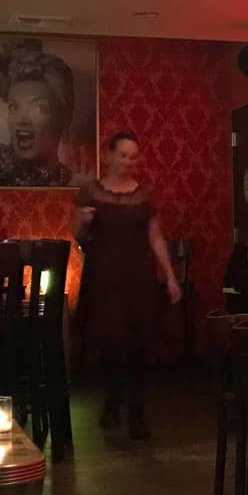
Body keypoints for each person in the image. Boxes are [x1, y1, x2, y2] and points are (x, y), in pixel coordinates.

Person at [74, 130, 181, 439]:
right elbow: (78, 236)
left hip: (138, 277)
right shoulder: (90, 192)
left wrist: (170, 276)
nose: (129, 161)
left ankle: (137, 411)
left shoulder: (144, 193)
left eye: (134, 156)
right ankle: (113, 400)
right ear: (108, 156)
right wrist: (82, 220)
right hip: (104, 277)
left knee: (139, 344)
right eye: (123, 155)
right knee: (110, 344)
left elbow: (155, 236)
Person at [0, 39, 80, 186]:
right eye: (14, 107)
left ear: (64, 121)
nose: (22, 120)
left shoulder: (73, 179)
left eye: (38, 108)